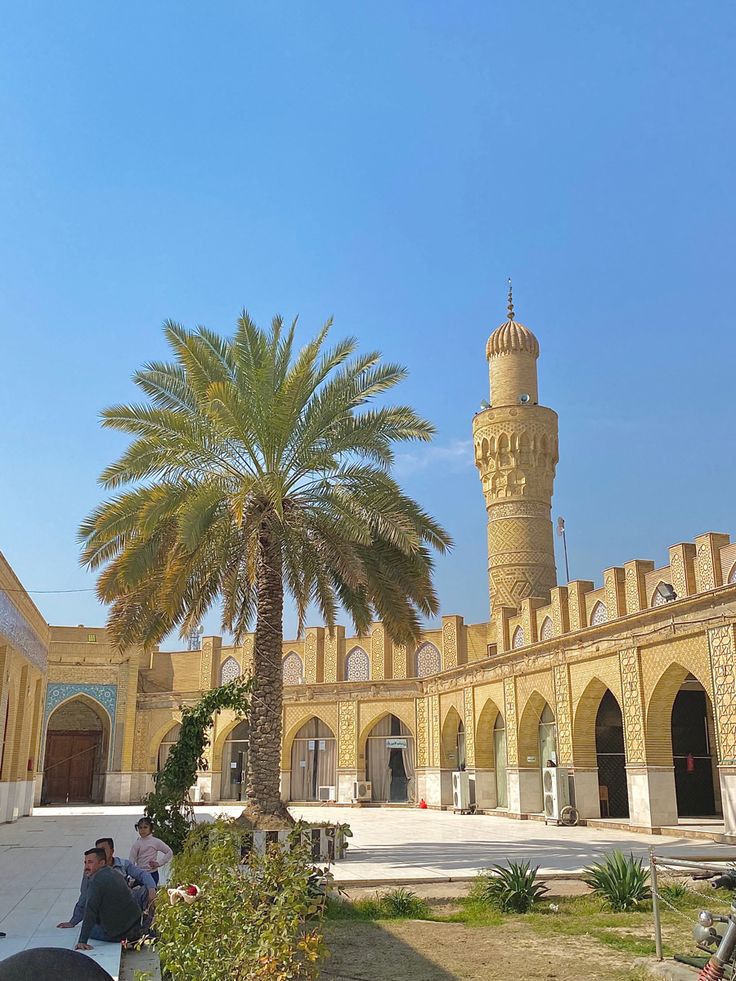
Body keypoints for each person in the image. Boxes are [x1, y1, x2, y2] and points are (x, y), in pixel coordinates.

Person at [57, 837, 156, 930]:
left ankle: (148, 927)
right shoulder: (92, 871)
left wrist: (151, 889)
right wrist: (73, 922)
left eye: (103, 849)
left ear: (112, 851)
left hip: (127, 904)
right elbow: (84, 895)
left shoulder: (123, 864)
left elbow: (143, 875)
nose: (101, 853)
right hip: (107, 911)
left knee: (147, 891)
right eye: (98, 850)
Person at [74, 848, 144, 951]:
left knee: (90, 929)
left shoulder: (96, 881)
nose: (86, 867)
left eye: (90, 862)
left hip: (120, 932)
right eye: (85, 863)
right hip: (134, 924)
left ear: (102, 863)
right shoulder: (114, 873)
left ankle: (125, 940)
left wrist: (82, 941)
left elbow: (90, 910)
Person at [129, 818, 173, 885]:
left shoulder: (156, 842)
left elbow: (169, 852)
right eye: (140, 828)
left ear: (151, 828)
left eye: (145, 827)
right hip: (140, 874)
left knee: (151, 893)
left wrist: (159, 863)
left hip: (152, 873)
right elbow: (131, 860)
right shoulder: (137, 844)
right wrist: (132, 875)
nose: (143, 830)